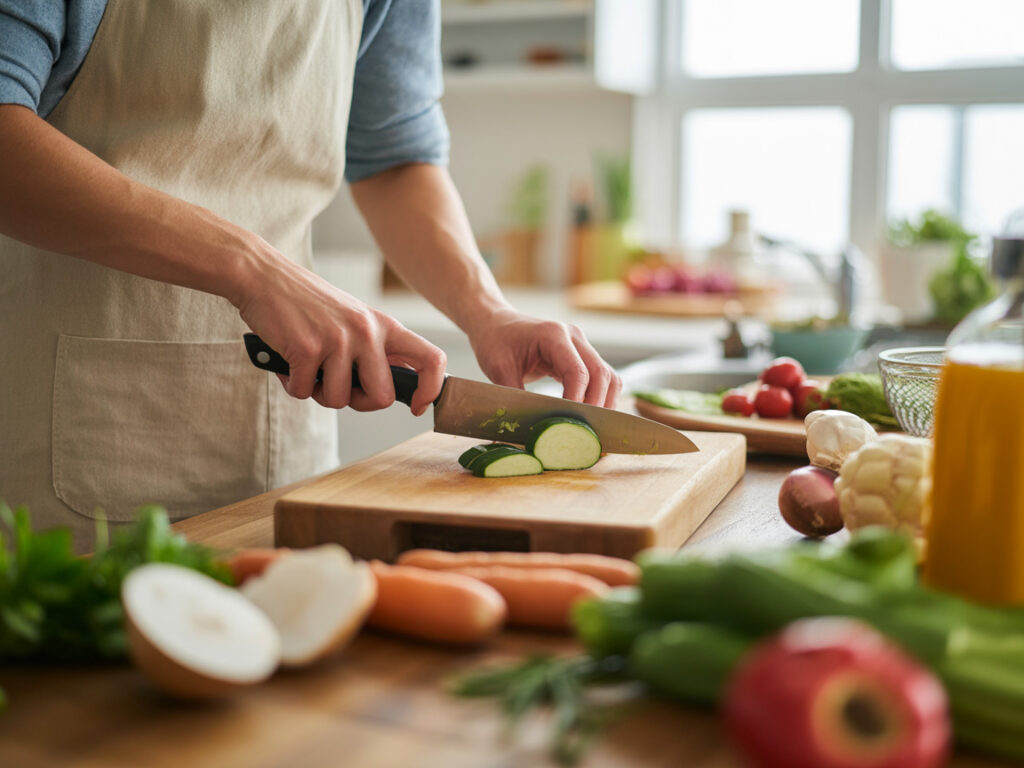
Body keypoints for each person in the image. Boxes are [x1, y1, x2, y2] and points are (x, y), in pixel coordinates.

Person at [0, 0, 621, 549]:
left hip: (282, 432)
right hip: (60, 425)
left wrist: (491, 313)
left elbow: (395, 158)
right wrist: (254, 268)